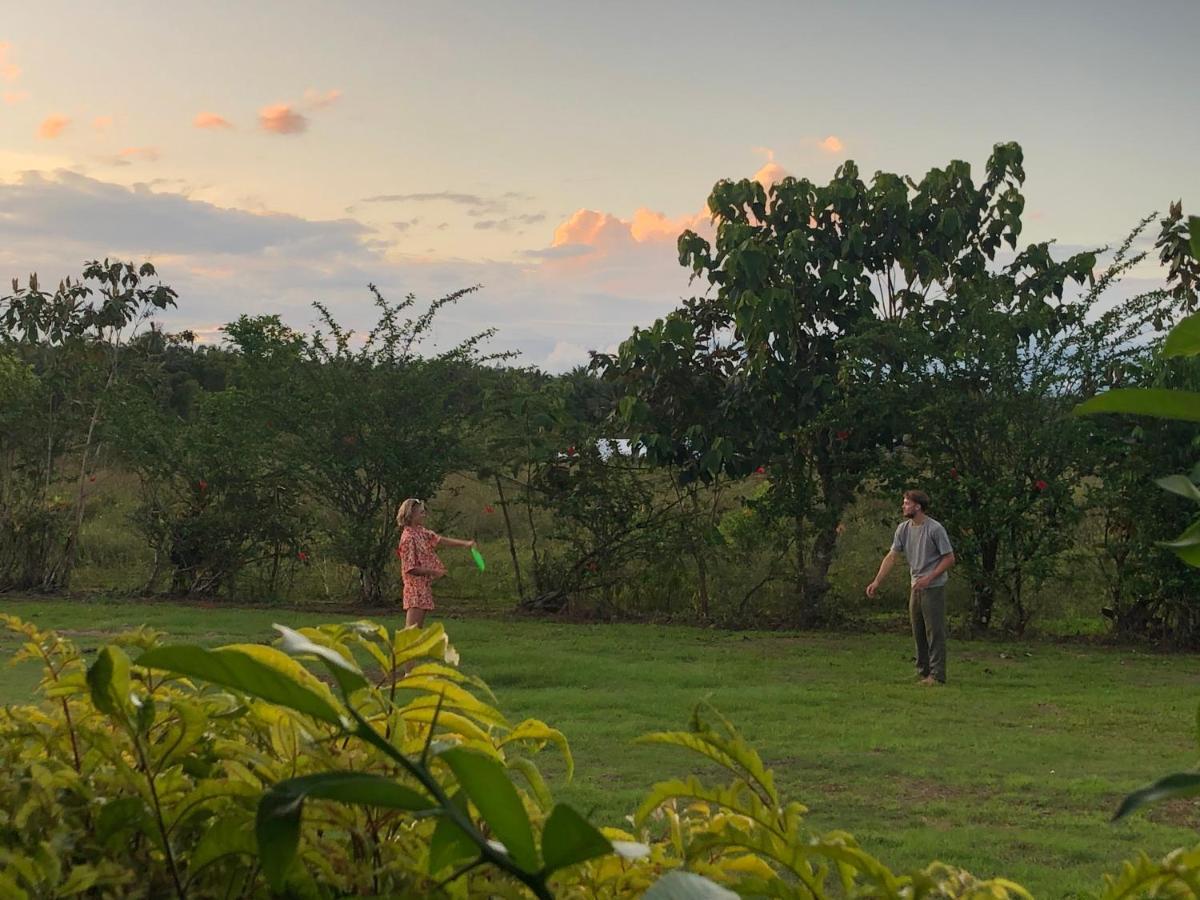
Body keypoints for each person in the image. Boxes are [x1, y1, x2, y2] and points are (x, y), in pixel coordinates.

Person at [866, 490, 956, 685]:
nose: (903, 506)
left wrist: (930, 577)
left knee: (935, 631)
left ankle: (937, 675)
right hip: (915, 586)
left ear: (918, 506)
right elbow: (891, 556)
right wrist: (877, 581)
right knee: (918, 629)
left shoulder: (935, 529)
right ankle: (923, 671)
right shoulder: (903, 529)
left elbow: (949, 558)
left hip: (933, 587)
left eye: (907, 503)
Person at [396, 498, 477, 629]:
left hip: (424, 587)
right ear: (411, 514)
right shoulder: (408, 538)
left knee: (417, 630)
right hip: (414, 590)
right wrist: (433, 572)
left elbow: (438, 539)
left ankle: (416, 650)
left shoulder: (420, 532)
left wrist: (465, 544)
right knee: (411, 631)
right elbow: (409, 568)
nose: (424, 515)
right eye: (421, 512)